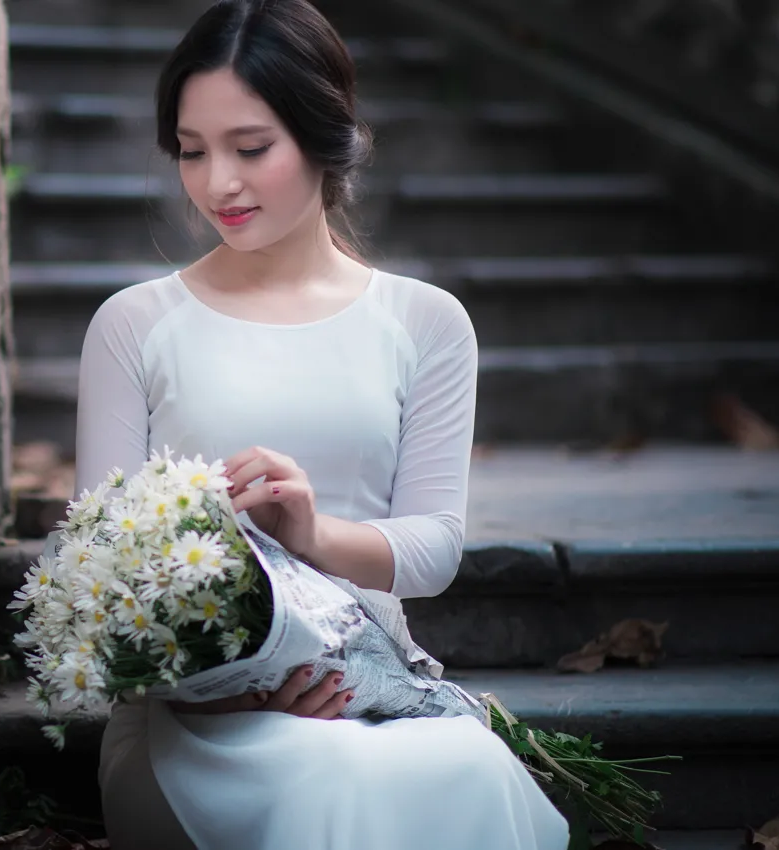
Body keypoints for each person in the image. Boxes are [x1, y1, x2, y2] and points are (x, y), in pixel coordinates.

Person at [62, 0, 573, 847]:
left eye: (250, 148)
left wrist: (311, 532)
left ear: (323, 138)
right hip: (196, 719)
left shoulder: (427, 323)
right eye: (192, 152)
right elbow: (100, 560)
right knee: (329, 784)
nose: (216, 182)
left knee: (468, 770)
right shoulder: (133, 324)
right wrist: (232, 686)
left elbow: (437, 546)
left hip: (369, 691)